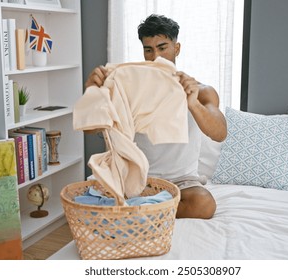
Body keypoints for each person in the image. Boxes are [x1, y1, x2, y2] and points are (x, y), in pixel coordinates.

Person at [84, 14, 227, 219]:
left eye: (162, 47)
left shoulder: (201, 91)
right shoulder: (128, 89)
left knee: (203, 204)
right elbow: (91, 129)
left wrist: (192, 103)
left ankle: (136, 210)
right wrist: (93, 93)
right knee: (89, 199)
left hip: (181, 182)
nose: (155, 57)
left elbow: (220, 133)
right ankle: (146, 207)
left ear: (176, 49)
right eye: (148, 50)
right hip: (135, 178)